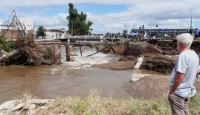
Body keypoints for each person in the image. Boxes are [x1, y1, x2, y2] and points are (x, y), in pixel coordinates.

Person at [168, 33, 199, 115]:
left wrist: (172, 91)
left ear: (180, 43)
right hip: (186, 91)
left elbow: (180, 76)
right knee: (185, 112)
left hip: (178, 92)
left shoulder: (183, 56)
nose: (176, 44)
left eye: (177, 42)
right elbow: (197, 71)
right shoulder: (194, 55)